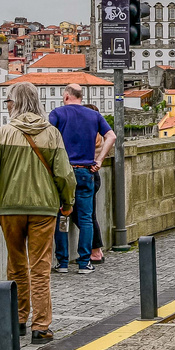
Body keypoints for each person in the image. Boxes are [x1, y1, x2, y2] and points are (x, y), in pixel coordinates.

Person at [0, 81, 76, 345]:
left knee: (16, 264)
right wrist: (67, 203)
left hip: (10, 209)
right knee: (40, 267)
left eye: (8, 102)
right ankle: (41, 326)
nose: (7, 106)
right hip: (44, 208)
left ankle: (19, 319)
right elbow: (65, 175)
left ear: (15, 104)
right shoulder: (51, 133)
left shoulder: (2, 133)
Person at [49, 82, 114, 274]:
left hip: (63, 172)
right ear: (81, 97)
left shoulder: (57, 113)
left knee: (62, 215)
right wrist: (99, 160)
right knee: (86, 218)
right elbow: (111, 137)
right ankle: (84, 262)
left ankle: (62, 263)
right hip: (86, 171)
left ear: (67, 96)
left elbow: (48, 138)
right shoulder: (94, 115)